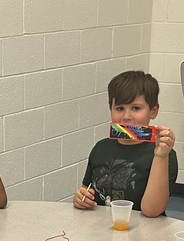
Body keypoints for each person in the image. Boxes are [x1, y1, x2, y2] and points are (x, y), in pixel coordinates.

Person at [73, 70, 178, 217]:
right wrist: (80, 198)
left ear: (153, 111)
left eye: (136, 108)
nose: (126, 116)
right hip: (100, 229)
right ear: (111, 110)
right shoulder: (101, 148)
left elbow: (152, 211)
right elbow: (87, 188)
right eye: (120, 108)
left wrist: (160, 155)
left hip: (144, 231)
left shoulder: (165, 155)